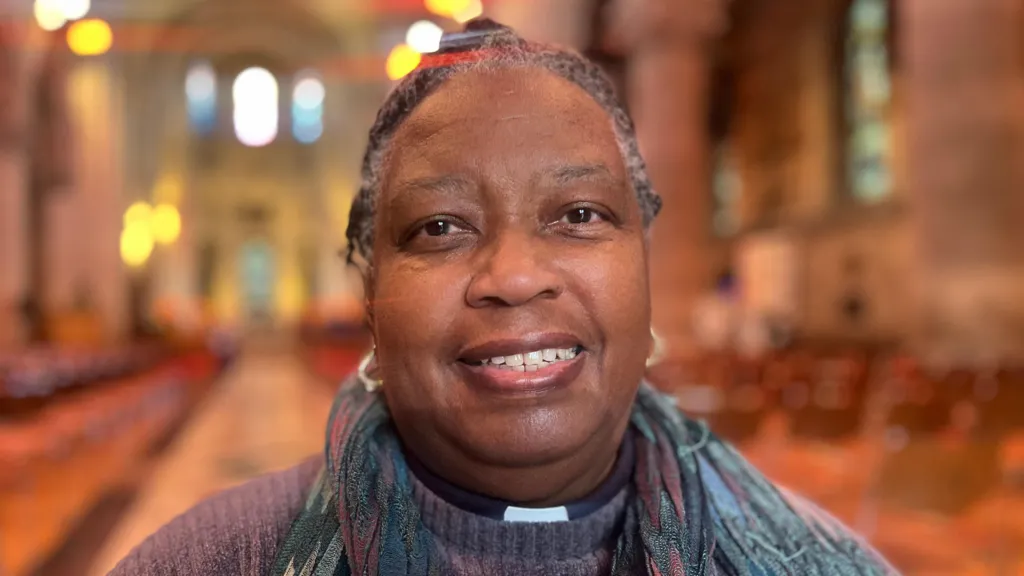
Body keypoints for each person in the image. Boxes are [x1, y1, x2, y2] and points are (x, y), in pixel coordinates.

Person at [110, 19, 895, 576]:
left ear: (645, 267)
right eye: (441, 226)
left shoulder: (824, 562)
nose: (515, 276)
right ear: (370, 299)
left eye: (580, 215)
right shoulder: (208, 560)